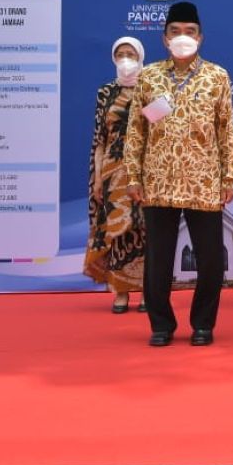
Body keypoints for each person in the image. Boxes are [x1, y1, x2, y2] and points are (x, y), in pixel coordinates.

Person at [125, 2, 233, 347]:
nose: (182, 38)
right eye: (175, 32)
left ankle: (202, 324)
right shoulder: (148, 77)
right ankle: (161, 325)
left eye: (190, 31)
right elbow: (136, 131)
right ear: (164, 39)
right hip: (158, 180)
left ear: (200, 37)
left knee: (209, 260)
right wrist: (133, 176)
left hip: (204, 181)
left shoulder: (217, 77)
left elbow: (227, 130)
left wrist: (229, 178)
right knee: (158, 260)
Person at [84, 36, 148, 313]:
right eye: (120, 53)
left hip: (145, 169)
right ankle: (120, 291)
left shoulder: (153, 87)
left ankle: (148, 291)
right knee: (118, 231)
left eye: (130, 53)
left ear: (140, 56)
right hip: (112, 169)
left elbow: (162, 130)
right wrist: (98, 177)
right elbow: (100, 138)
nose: (125, 58)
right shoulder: (105, 92)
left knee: (146, 229)